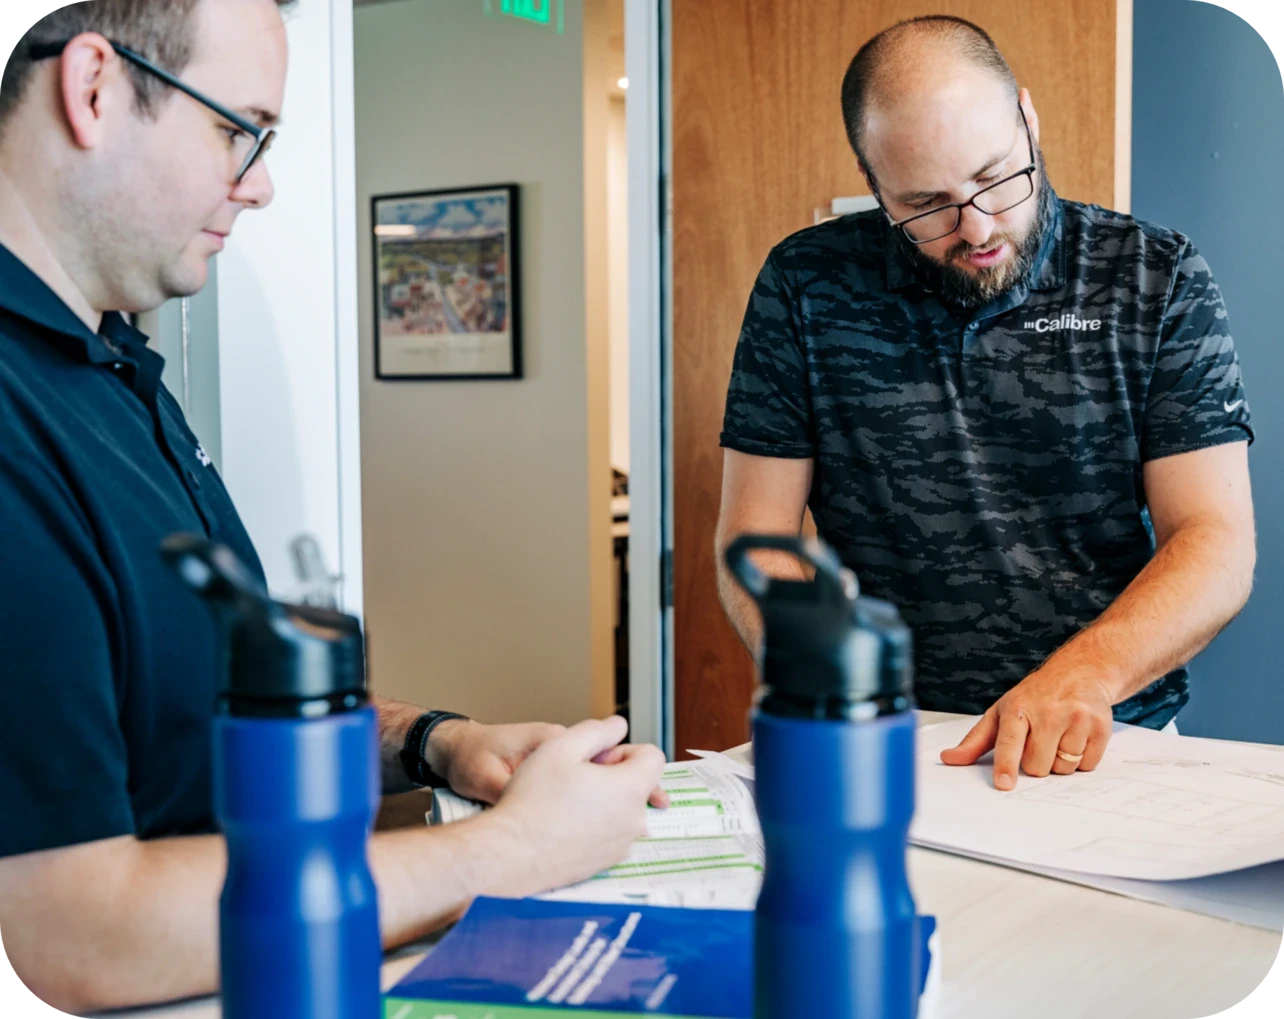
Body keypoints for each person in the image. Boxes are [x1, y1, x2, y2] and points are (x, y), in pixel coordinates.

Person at [0, 1, 665, 1013]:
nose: (260, 184)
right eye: (238, 129)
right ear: (93, 88)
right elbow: (67, 931)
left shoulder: (114, 362)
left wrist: (437, 741)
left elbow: (204, 708)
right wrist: (517, 849)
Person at [715, 16, 1255, 792]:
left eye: (997, 177)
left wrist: (1083, 676)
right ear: (874, 184)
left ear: (1028, 122)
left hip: (1109, 730)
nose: (977, 228)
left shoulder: (1155, 277)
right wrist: (816, 668)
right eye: (927, 204)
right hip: (894, 739)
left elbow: (1214, 539)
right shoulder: (806, 285)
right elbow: (755, 531)